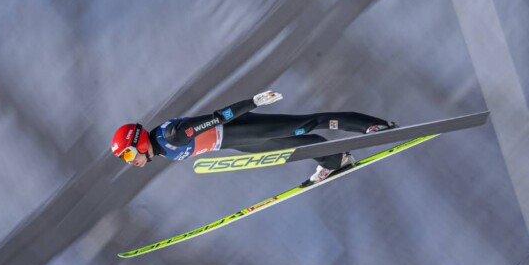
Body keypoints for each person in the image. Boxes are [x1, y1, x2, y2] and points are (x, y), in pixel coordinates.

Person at [111, 91, 396, 184]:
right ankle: (336, 159)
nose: (130, 161)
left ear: (139, 142)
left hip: (237, 129)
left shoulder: (171, 135)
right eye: (125, 158)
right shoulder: (162, 148)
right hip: (235, 143)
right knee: (291, 147)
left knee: (307, 124)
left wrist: (253, 102)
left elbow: (217, 117)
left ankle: (373, 127)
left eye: (127, 154)